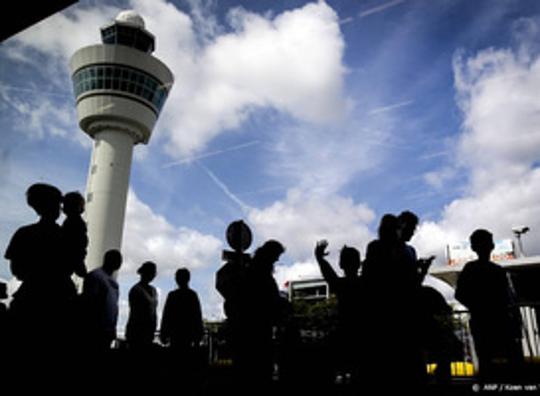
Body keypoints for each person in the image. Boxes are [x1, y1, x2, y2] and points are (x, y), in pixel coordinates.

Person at [4, 183, 66, 350]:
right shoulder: (65, 237)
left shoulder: (24, 233)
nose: (60, 209)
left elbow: (16, 269)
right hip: (57, 303)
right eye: (56, 204)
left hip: (29, 300)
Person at [455, 229, 523, 378]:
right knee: (512, 361)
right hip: (500, 320)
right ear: (492, 246)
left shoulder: (471, 269)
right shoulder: (497, 271)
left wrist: (476, 307)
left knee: (486, 362)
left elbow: (459, 294)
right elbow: (507, 297)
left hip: (482, 321)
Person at [238, 240, 285, 390]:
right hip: (260, 327)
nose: (277, 260)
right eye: (276, 256)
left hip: (249, 327)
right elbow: (269, 299)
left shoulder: (251, 271)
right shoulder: (263, 275)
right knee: (261, 368)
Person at [314, 240, 363, 382]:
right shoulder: (366, 284)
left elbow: (330, 276)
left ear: (341, 264)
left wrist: (320, 258)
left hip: (344, 333)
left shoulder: (342, 286)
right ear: (359, 264)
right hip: (362, 336)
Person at [81, 249, 123, 352]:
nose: (119, 262)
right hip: (95, 329)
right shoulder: (96, 276)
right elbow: (90, 303)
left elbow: (114, 308)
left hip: (107, 329)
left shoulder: (113, 282)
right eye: (117, 259)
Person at [126, 261, 158, 351]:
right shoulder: (136, 290)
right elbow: (136, 312)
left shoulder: (153, 290)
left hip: (148, 331)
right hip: (137, 331)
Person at [61, 191, 88, 281]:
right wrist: (84, 273)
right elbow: (76, 249)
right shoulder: (78, 224)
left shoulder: (67, 224)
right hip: (65, 272)